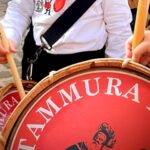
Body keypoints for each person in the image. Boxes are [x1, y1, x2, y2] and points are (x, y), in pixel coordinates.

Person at [0, 0, 132, 82]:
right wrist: (9, 37)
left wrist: (116, 76)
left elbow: (119, 30)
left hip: (86, 66)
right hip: (38, 59)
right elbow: (20, 10)